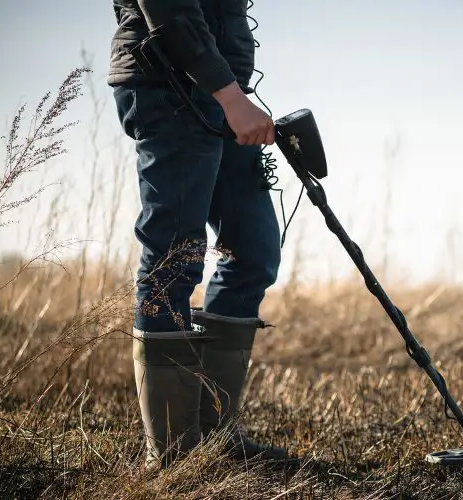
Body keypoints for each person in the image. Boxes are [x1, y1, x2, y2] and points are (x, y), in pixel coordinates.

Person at [107, 0, 290, 468]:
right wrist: (230, 96)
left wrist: (233, 95)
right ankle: (172, 455)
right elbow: (169, 10)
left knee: (252, 251)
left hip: (222, 94)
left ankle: (214, 435)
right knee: (175, 256)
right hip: (170, 87)